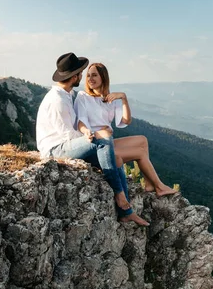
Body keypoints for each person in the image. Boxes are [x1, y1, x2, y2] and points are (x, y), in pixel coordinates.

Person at [36, 52, 149, 226]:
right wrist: (90, 136)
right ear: (75, 77)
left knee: (116, 159)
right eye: (81, 73)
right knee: (104, 138)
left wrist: (88, 135)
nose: (83, 76)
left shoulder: (66, 95)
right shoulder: (57, 100)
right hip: (56, 150)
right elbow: (68, 135)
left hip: (67, 144)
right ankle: (119, 194)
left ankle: (126, 212)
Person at [74, 62, 177, 197]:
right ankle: (160, 187)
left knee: (142, 140)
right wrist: (88, 131)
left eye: (94, 75)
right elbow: (81, 121)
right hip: (95, 143)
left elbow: (126, 120)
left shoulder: (110, 99)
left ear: (103, 77)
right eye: (88, 76)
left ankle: (149, 183)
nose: (90, 79)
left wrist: (123, 98)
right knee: (140, 152)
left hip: (108, 140)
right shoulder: (83, 96)